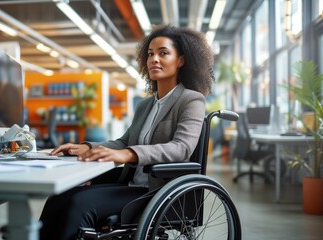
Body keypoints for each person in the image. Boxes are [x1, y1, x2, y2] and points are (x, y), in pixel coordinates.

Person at [39, 25, 215, 240]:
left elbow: (181, 148)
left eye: (163, 53)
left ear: (181, 60)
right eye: (150, 54)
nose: (154, 59)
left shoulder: (191, 100)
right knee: (60, 196)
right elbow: (124, 141)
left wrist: (130, 154)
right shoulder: (145, 105)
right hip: (131, 182)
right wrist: (87, 147)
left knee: (80, 204)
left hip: (159, 190)